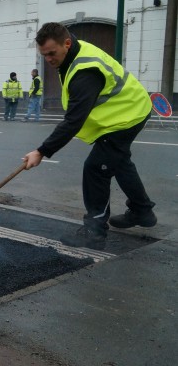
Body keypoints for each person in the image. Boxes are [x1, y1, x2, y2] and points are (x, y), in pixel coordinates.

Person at [23, 22, 156, 250]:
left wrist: (42, 151)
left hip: (126, 116)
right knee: (119, 161)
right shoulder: (73, 50)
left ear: (66, 43)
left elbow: (74, 121)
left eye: (52, 53)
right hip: (129, 109)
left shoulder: (85, 72)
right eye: (44, 55)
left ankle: (94, 233)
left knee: (96, 168)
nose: (48, 60)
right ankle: (142, 211)